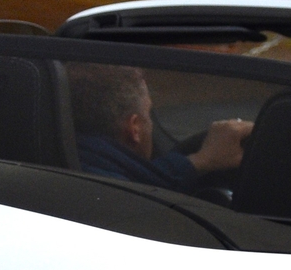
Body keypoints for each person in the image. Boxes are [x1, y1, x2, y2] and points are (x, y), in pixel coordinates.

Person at [67, 62, 252, 191]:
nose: (151, 122)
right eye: (148, 113)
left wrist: (198, 162)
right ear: (135, 129)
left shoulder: (56, 161)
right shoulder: (128, 199)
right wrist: (201, 161)